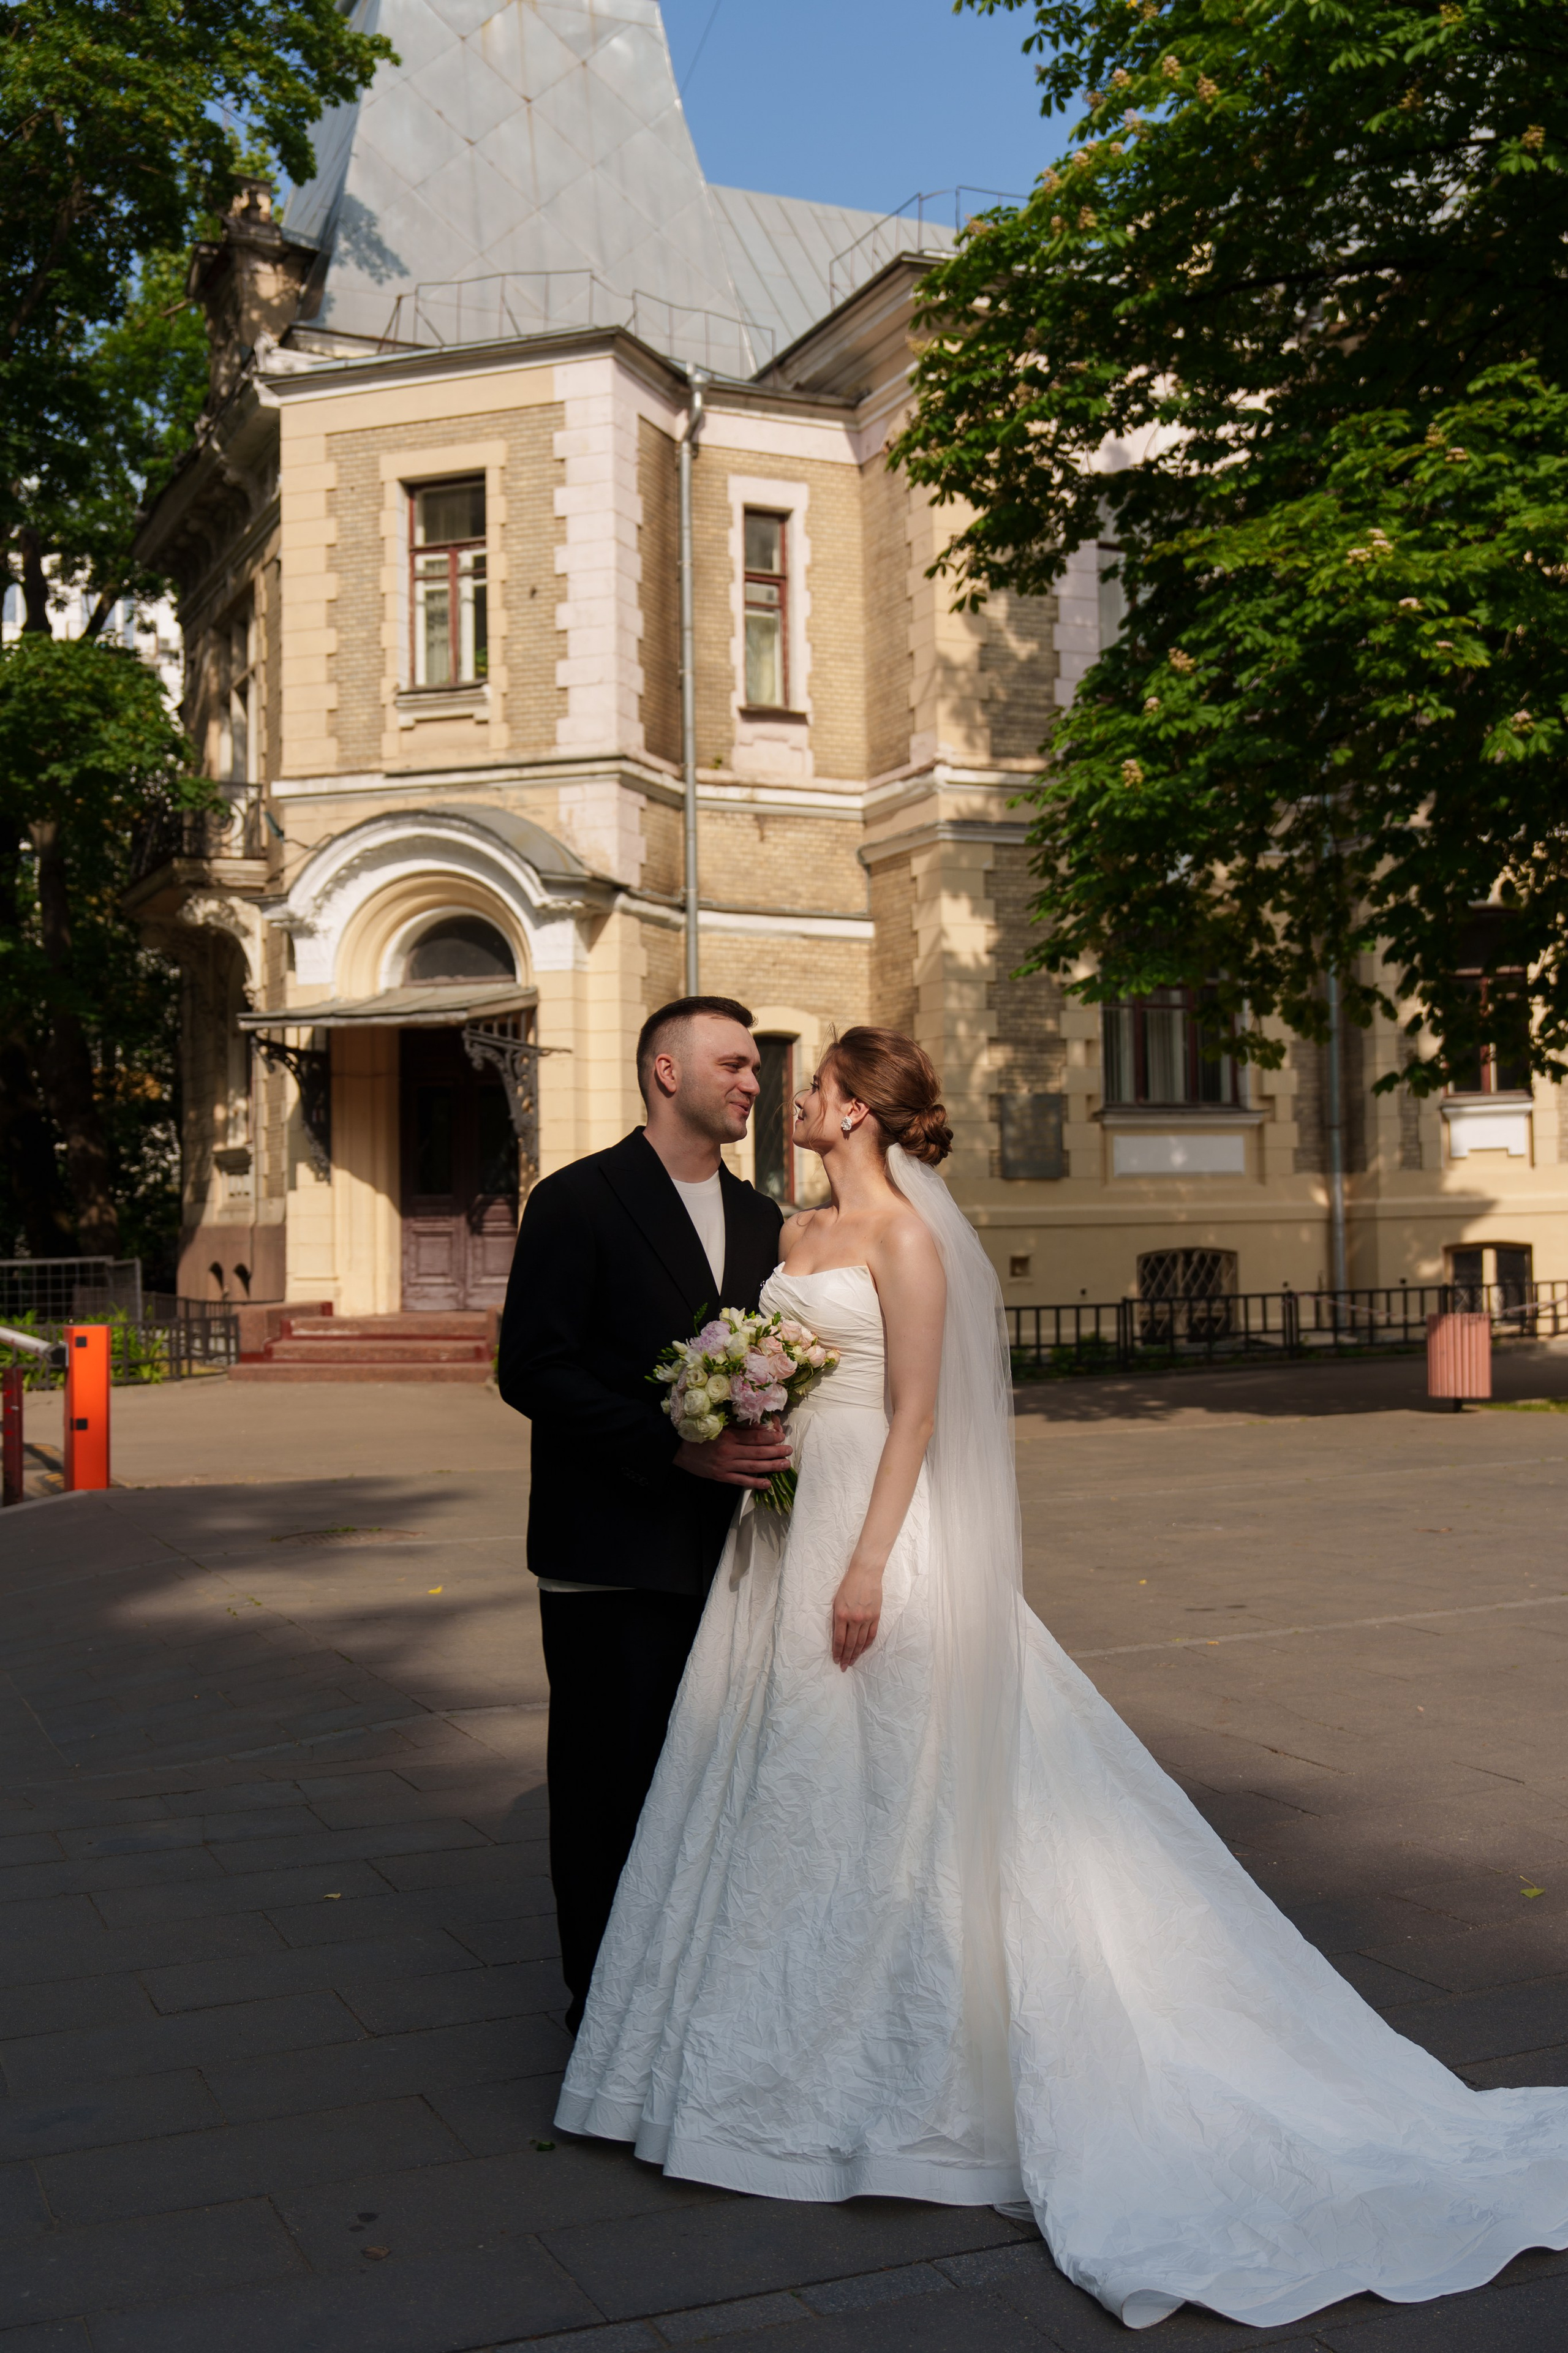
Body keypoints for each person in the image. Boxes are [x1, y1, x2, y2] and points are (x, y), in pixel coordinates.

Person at [557, 1025, 1568, 2332]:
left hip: (869, 1526)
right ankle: (746, 2056)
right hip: (779, 1522)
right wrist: (730, 1404)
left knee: (885, 1772)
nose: (792, 1099)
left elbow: (917, 1413)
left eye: (812, 1088)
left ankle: (892, 2062)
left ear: (857, 1111)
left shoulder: (908, 1243)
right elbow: (775, 1362)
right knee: (774, 1771)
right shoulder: (790, 1233)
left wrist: (867, 1566)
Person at [497, 996, 786, 2032]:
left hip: (739, 1557)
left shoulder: (765, 1220)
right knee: (604, 1784)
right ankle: (603, 2007)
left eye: (757, 1066)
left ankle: (696, 1989)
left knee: (715, 1779)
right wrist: (671, 1443)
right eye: (736, 1062)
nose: (755, 1080)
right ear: (667, 1071)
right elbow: (532, 1368)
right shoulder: (577, 1200)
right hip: (610, 1546)